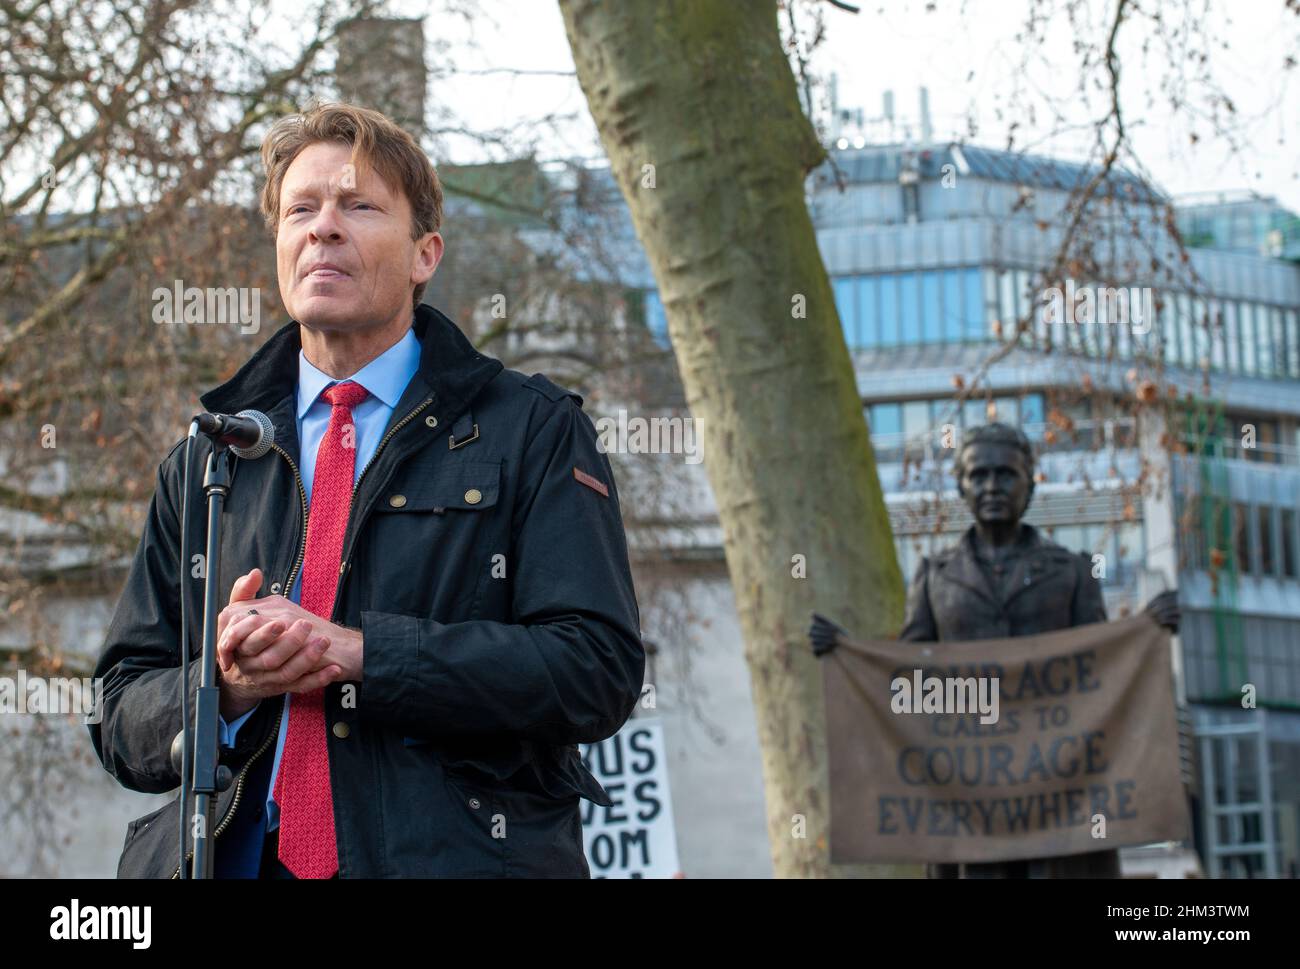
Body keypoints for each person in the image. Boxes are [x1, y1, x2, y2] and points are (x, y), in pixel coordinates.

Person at [89, 102, 645, 879]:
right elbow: (118, 714)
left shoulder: (534, 429)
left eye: (357, 205)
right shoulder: (207, 459)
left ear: (426, 254)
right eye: (301, 210)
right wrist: (226, 686)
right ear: (280, 245)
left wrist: (358, 652)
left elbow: (596, 669)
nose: (323, 227)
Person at [810, 421, 1179, 878]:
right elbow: (907, 686)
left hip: (1059, 799)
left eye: (1005, 474)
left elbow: (1103, 675)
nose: (991, 486)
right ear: (961, 488)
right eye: (977, 476)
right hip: (969, 806)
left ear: (1029, 482)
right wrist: (848, 656)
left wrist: (1146, 627)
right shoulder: (935, 577)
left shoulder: (1071, 572)